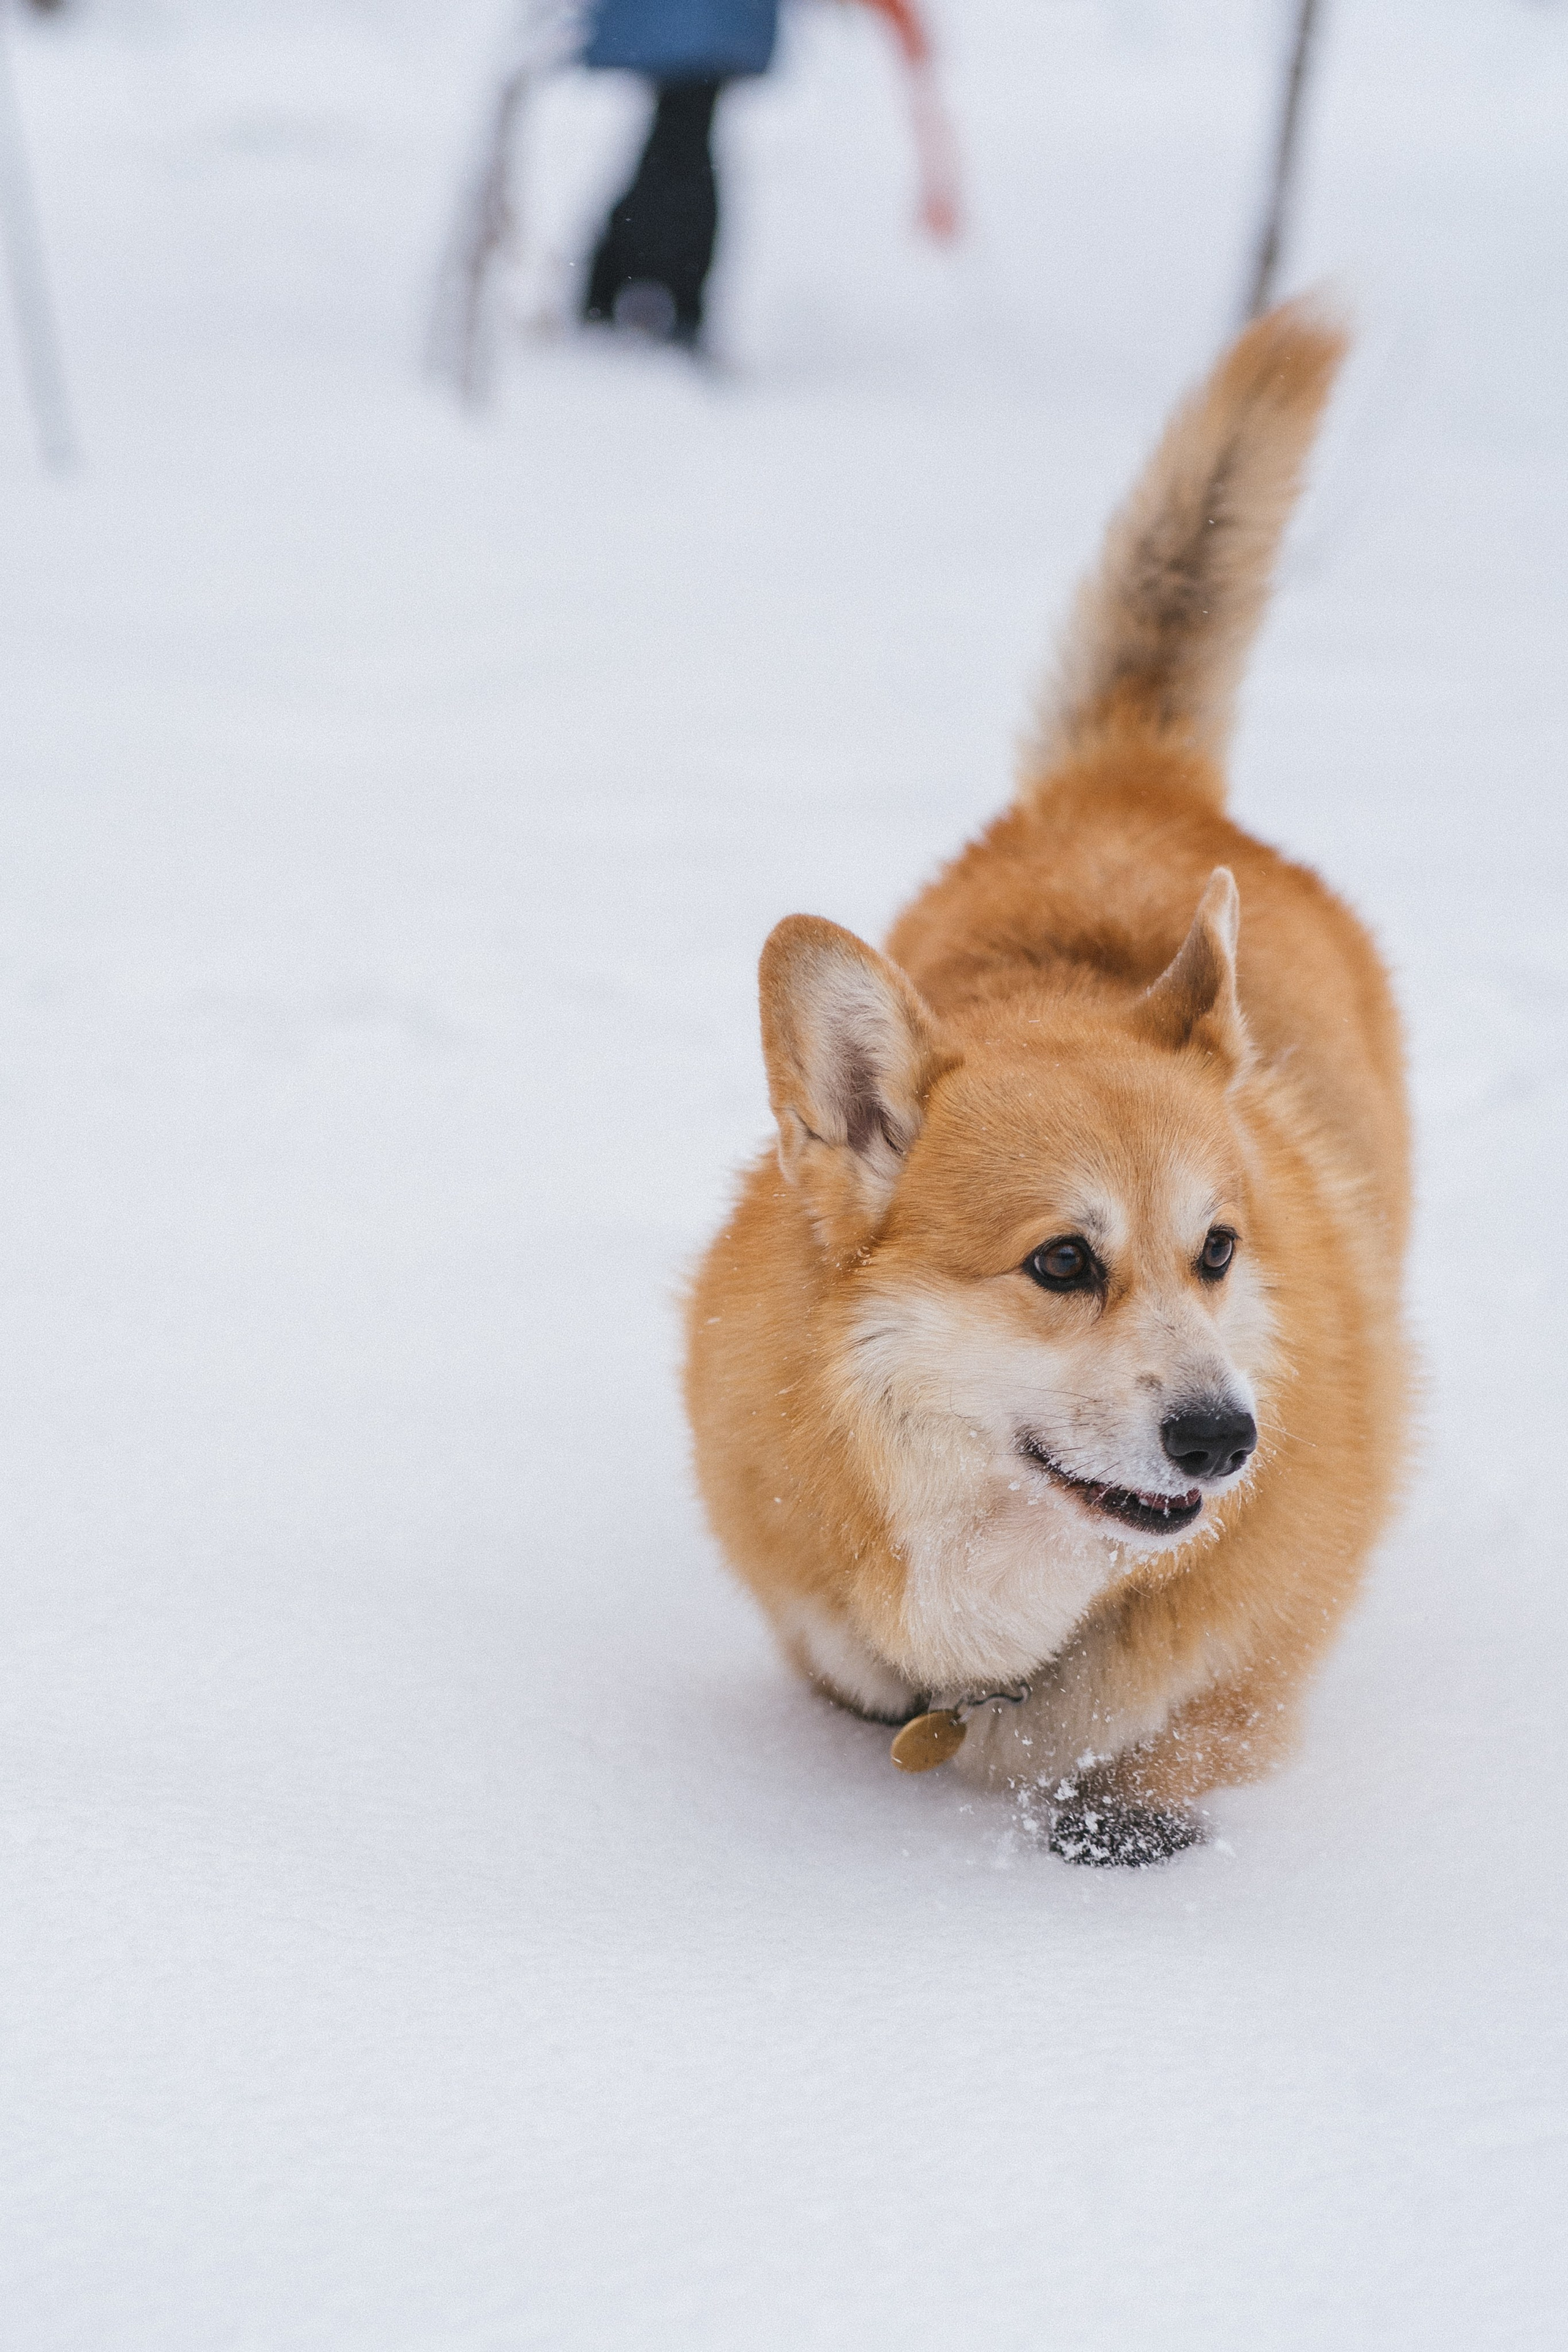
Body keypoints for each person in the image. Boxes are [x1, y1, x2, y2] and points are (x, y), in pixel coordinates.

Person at [579, 1, 780, 349]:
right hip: (708, 26)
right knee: (682, 141)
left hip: (694, 26)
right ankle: (657, 293)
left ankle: (617, 289)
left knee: (678, 138)